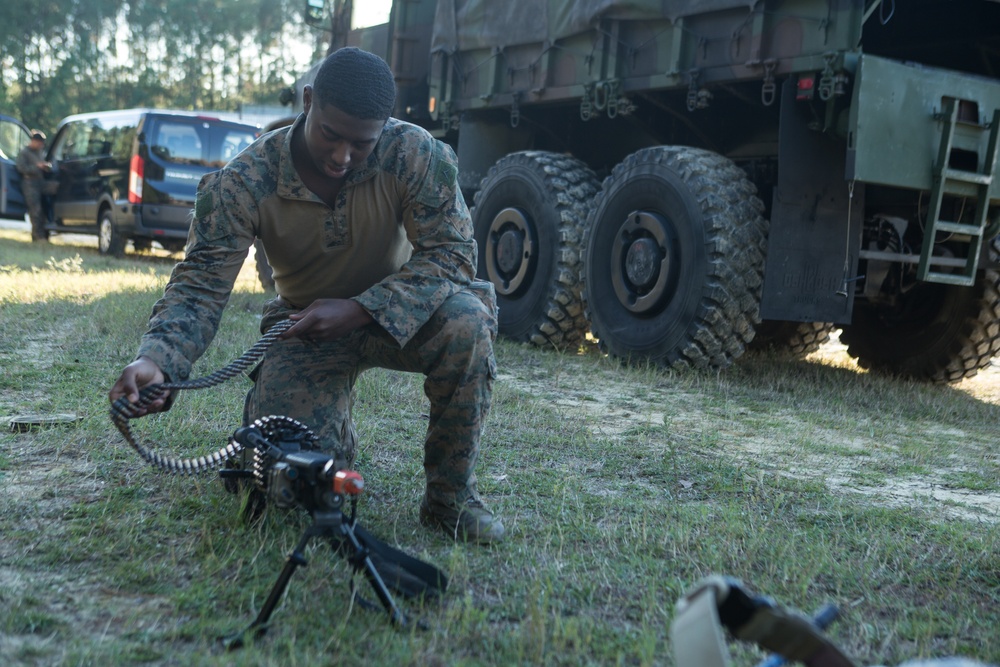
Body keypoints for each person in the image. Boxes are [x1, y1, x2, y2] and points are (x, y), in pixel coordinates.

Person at [108, 47, 504, 544]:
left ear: (386, 124)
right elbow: (201, 284)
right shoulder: (246, 178)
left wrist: (360, 309)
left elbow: (451, 257)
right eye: (330, 135)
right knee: (288, 485)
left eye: (361, 143)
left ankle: (450, 500)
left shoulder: (417, 155)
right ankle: (317, 440)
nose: (342, 156)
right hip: (305, 328)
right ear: (308, 101)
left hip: (401, 316)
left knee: (467, 320)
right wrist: (159, 361)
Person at [15, 131, 51, 242]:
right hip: (29, 184)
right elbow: (21, 168)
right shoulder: (24, 153)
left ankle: (44, 234)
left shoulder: (39, 152)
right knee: (35, 210)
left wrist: (46, 166)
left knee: (44, 209)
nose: (41, 145)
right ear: (34, 141)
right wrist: (37, 167)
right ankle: (37, 236)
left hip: (41, 182)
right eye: (39, 143)